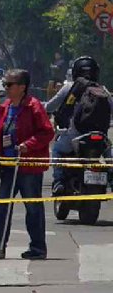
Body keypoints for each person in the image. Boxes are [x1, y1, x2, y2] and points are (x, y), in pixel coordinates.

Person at [0, 69, 54, 260]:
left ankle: (38, 248)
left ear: (22, 87)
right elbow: (0, 136)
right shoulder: (5, 107)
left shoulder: (33, 106)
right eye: (4, 84)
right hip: (8, 166)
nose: (5, 88)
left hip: (28, 167)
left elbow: (47, 132)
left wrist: (27, 145)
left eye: (9, 85)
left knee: (33, 208)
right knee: (2, 207)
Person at [44, 56, 113, 195]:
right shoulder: (102, 89)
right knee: (109, 155)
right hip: (101, 136)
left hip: (75, 137)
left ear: (75, 71)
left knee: (56, 149)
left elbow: (50, 106)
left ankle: (58, 182)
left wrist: (42, 109)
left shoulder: (70, 87)